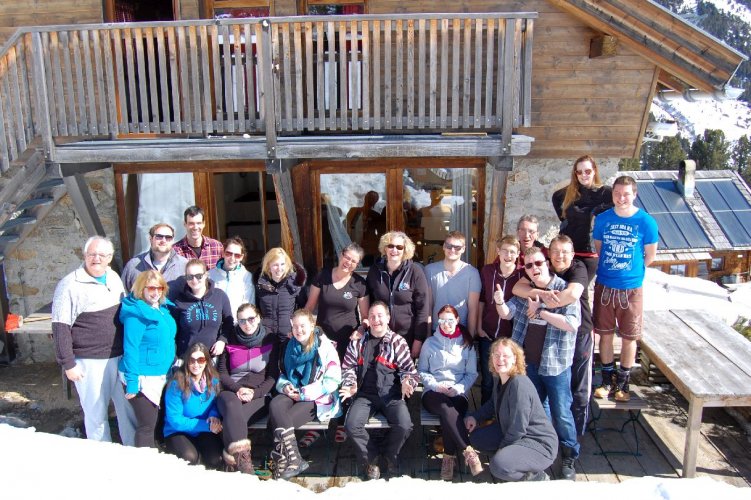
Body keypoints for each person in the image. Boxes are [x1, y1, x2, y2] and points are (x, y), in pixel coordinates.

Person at [495, 246, 581, 480]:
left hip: (555, 365)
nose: (535, 268)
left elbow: (572, 324)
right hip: (529, 364)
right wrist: (500, 303)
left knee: (562, 413)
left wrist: (541, 311)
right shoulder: (527, 291)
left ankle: (569, 456)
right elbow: (508, 313)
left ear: (547, 264)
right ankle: (537, 455)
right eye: (529, 265)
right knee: (536, 412)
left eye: (539, 263)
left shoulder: (563, 290)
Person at [51, 236, 136, 444]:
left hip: (119, 356)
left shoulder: (113, 277)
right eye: (92, 254)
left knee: (128, 409)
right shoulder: (69, 285)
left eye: (102, 255)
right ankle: (101, 455)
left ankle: (133, 449)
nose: (96, 258)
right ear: (85, 255)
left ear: (110, 257)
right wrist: (68, 363)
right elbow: (60, 326)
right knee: (96, 414)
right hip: (90, 359)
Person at [513, 234, 594, 436]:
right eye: (556, 251)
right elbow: (517, 288)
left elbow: (572, 295)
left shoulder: (577, 269)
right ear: (549, 255)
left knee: (575, 392)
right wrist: (540, 293)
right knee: (543, 404)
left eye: (564, 252)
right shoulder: (538, 271)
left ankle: (576, 439)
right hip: (545, 348)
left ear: (572, 254)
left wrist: (540, 306)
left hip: (579, 334)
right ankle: (549, 441)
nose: (560, 256)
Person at [592, 175, 658, 402]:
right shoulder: (603, 219)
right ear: (612, 194)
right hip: (605, 284)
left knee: (630, 337)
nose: (621, 198)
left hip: (631, 289)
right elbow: (600, 249)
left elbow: (650, 256)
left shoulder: (646, 222)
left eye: (626, 194)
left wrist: (631, 273)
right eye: (617, 194)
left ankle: (623, 384)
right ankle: (606, 380)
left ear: (634, 194)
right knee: (605, 335)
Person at [341, 302, 419, 480]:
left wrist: (407, 383)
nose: (376, 320)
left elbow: (410, 371)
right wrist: (351, 384)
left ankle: (389, 454)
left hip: (391, 395)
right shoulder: (358, 342)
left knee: (405, 425)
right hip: (365, 395)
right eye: (372, 316)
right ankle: (372, 458)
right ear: (368, 320)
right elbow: (347, 367)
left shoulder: (397, 342)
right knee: (351, 425)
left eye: (380, 316)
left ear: (388, 318)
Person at [465, 338, 557, 482]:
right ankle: (513, 460)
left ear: (515, 358)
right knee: (476, 439)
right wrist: (475, 417)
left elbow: (518, 427)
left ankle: (536, 477)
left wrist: (502, 449)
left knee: (498, 466)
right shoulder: (500, 378)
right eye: (496, 355)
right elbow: (493, 403)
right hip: (509, 430)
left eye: (505, 356)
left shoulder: (519, 383)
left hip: (537, 443)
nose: (500, 359)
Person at [269, 309, 342, 479]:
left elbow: (332, 381)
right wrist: (285, 386)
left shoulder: (324, 347)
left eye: (302, 326)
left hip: (316, 397)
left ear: (312, 325)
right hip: (293, 390)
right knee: (275, 405)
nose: (298, 330)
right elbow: (282, 373)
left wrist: (303, 394)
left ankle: (283, 459)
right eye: (295, 326)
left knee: (281, 420)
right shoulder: (289, 346)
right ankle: (295, 460)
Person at [417, 304, 482, 481]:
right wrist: (435, 385)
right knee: (446, 409)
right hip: (433, 392)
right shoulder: (430, 343)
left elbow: (471, 374)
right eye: (442, 321)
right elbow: (422, 370)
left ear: (457, 320)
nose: (446, 324)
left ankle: (448, 457)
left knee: (450, 413)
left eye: (450, 320)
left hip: (458, 392)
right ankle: (468, 450)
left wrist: (458, 388)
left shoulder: (466, 344)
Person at [216, 303, 279, 474]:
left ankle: (232, 461)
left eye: (251, 319)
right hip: (231, 391)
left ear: (258, 318)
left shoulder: (270, 339)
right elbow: (222, 373)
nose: (247, 324)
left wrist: (255, 392)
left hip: (259, 394)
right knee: (232, 406)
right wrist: (237, 389)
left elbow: (273, 375)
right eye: (242, 320)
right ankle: (244, 466)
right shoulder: (230, 338)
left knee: (235, 420)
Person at [119, 270, 177, 448]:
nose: (156, 292)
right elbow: (131, 349)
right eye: (151, 288)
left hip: (160, 373)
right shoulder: (136, 314)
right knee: (147, 425)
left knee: (157, 421)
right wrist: (132, 382)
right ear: (141, 288)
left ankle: (156, 454)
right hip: (143, 375)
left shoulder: (161, 309)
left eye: (160, 288)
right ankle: (144, 461)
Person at [365, 231, 430, 359]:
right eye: (390, 246)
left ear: (405, 250)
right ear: (385, 248)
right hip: (380, 335)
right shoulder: (375, 271)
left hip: (407, 336)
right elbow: (370, 304)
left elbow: (423, 308)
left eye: (399, 247)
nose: (394, 250)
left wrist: (418, 339)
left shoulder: (415, 272)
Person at [477, 235, 524, 403]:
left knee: (508, 380)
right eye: (505, 251)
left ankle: (503, 413)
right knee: (488, 380)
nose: (508, 255)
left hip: (510, 337)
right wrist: (479, 327)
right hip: (488, 333)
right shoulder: (488, 271)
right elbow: (482, 299)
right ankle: (485, 413)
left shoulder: (522, 275)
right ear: (498, 251)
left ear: (518, 254)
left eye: (512, 252)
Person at [551, 155, 613, 282]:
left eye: (587, 171)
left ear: (594, 171)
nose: (583, 175)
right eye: (579, 172)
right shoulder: (566, 194)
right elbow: (557, 202)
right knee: (563, 286)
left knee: (579, 288)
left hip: (589, 253)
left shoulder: (606, 193)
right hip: (568, 252)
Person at [305, 243, 369, 361]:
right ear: (341, 255)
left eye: (353, 261)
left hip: (349, 339)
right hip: (323, 337)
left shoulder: (359, 284)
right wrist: (301, 326)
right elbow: (310, 307)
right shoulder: (322, 276)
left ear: (357, 264)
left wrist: (362, 328)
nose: (348, 262)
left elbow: (365, 316)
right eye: (347, 257)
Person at [163, 343, 224, 468]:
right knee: (189, 458)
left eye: (200, 360)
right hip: (178, 431)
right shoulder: (176, 384)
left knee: (216, 459)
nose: (196, 364)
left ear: (206, 361)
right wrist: (207, 426)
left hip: (203, 430)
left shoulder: (213, 381)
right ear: (187, 362)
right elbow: (175, 420)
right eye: (192, 360)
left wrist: (214, 415)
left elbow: (215, 403)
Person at [170, 259, 233, 358]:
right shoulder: (179, 301)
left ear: (206, 275)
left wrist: (222, 340)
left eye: (198, 276)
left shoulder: (219, 296)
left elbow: (228, 322)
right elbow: (172, 331)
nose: (194, 280)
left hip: (213, 357)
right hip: (188, 359)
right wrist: (175, 358)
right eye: (190, 277)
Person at [424, 231, 481, 336]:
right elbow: (428, 305)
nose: (452, 250)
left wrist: (470, 337)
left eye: (457, 247)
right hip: (436, 330)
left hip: (461, 330)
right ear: (444, 247)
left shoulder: (472, 273)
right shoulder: (429, 270)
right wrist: (427, 335)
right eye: (449, 246)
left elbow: (473, 308)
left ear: (463, 249)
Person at [256, 247, 307, 344]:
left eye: (282, 264)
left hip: (289, 336)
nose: (279, 268)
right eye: (275, 265)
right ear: (268, 266)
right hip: (266, 337)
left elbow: (303, 310)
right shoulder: (260, 285)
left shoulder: (295, 284)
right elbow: (257, 309)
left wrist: (296, 330)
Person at [121, 223, 188, 292]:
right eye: (159, 236)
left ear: (172, 240)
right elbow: (123, 293)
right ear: (150, 239)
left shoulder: (184, 265)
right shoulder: (133, 265)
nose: (163, 240)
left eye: (168, 237)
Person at [208, 236, 255, 322]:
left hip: (238, 324)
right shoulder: (210, 275)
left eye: (237, 255)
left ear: (241, 257)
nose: (232, 258)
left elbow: (249, 304)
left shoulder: (247, 277)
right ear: (223, 253)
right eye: (228, 253)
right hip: (215, 324)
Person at [173, 206, 224, 270]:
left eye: (199, 223)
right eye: (191, 223)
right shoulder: (175, 251)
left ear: (204, 224)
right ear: (185, 224)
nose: (195, 227)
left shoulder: (217, 246)